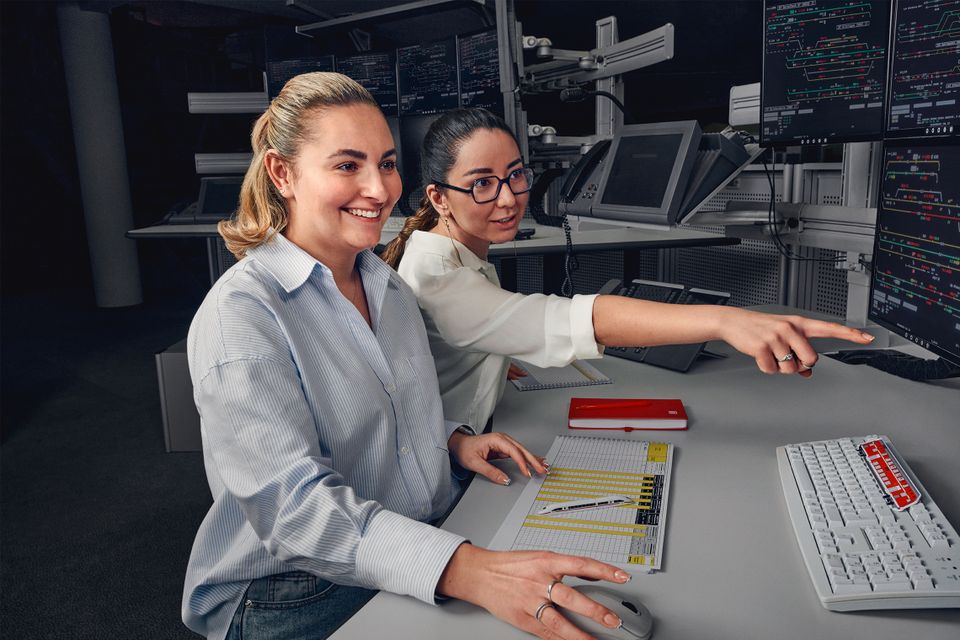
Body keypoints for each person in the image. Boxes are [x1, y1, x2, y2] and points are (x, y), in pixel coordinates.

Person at [183, 73, 633, 640]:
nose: (378, 188)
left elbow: (380, 407)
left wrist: (449, 438)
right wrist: (465, 569)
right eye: (347, 166)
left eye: (387, 163)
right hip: (291, 586)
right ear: (283, 173)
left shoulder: (385, 287)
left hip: (408, 528)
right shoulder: (242, 316)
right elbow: (293, 514)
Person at [380, 108, 876, 433]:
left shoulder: (447, 251)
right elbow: (574, 317)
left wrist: (485, 356)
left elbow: (473, 328)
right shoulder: (438, 278)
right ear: (439, 198)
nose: (509, 198)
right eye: (483, 184)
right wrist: (726, 320)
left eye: (515, 175)